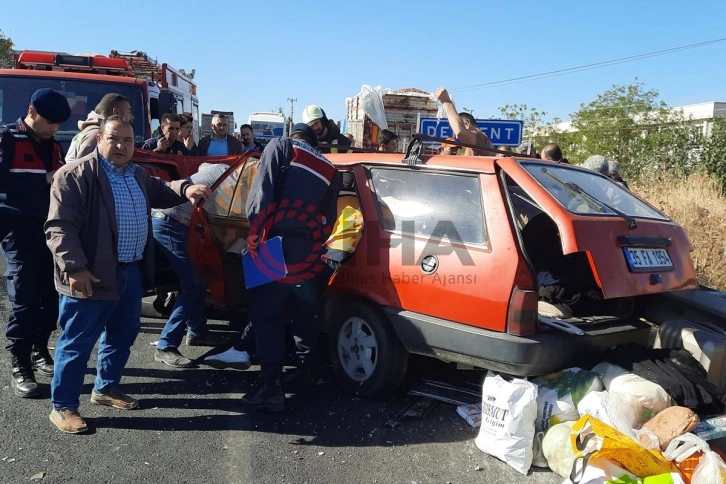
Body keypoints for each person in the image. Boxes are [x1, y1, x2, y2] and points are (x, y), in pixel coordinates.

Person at [45, 115, 211, 433]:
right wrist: (75, 268)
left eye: (128, 141)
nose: (121, 146)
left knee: (122, 336)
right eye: (114, 138)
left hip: (129, 271)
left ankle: (105, 388)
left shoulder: (135, 174)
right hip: (90, 275)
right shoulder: (75, 175)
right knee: (77, 342)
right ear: (99, 140)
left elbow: (162, 189)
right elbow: (59, 228)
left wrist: (187, 187)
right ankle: (63, 406)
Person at [241, 123, 339, 412]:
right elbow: (329, 219)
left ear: (293, 135)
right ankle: (306, 374)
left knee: (266, 315)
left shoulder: (281, 147)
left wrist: (255, 231)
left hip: (275, 246)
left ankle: (271, 388)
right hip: (309, 251)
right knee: (303, 314)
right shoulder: (329, 167)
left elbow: (262, 192)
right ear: (313, 140)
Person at [0, 88, 71, 398]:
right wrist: (42, 179)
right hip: (18, 230)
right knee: (25, 296)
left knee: (50, 296)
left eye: (58, 123)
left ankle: (40, 348)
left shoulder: (54, 146)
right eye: (50, 122)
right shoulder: (6, 138)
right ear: (31, 112)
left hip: (49, 230)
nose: (54, 128)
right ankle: (19, 361)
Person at [152, 163, 231, 368]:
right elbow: (226, 216)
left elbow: (203, 166)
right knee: (194, 284)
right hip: (169, 224)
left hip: (171, 222)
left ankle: (197, 331)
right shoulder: (232, 177)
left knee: (194, 280)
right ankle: (166, 346)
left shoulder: (222, 168)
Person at [66, 93, 134, 162]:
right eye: (129, 112)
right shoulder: (95, 134)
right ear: (116, 112)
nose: (132, 117)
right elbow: (83, 168)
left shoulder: (91, 130)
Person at [433, 87, 492, 156]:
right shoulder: (475, 143)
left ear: (466, 124)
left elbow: (460, 132)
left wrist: (446, 101)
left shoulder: (481, 138)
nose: (458, 138)